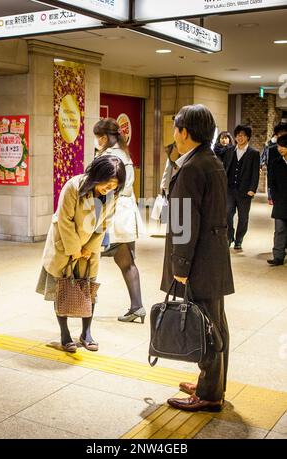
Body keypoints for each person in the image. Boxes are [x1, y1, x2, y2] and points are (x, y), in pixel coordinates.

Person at [161, 104, 234, 412]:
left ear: (185, 132)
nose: (174, 135)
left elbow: (182, 222)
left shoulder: (190, 168)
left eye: (176, 129)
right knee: (216, 323)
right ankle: (210, 384)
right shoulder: (212, 161)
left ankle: (208, 395)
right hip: (214, 255)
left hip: (198, 261)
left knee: (207, 326)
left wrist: (180, 266)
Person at [36, 155, 126, 352]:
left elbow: (105, 223)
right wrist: (75, 249)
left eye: (114, 186)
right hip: (65, 244)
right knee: (61, 288)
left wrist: (89, 248)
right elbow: (64, 220)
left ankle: (86, 333)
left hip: (88, 250)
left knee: (89, 289)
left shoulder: (113, 195)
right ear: (97, 175)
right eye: (107, 184)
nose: (109, 189)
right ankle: (65, 335)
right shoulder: (73, 186)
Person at [93, 118, 146, 323]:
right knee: (127, 262)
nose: (97, 141)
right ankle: (137, 306)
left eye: (98, 137)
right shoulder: (124, 154)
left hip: (111, 213)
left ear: (105, 137)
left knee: (90, 258)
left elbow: (98, 187)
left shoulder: (108, 156)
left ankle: (83, 306)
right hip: (127, 212)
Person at [223, 125, 260, 250]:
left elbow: (255, 173)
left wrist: (252, 189)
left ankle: (239, 239)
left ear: (248, 137)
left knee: (243, 217)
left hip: (245, 191)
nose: (240, 137)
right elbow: (224, 168)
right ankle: (229, 237)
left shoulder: (254, 153)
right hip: (229, 189)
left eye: (243, 135)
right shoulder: (229, 151)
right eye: (238, 135)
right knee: (227, 214)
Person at [267, 133, 287, 266]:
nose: (280, 149)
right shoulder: (276, 163)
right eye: (279, 146)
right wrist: (273, 196)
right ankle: (278, 256)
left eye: (283, 146)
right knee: (279, 229)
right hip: (281, 201)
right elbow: (272, 182)